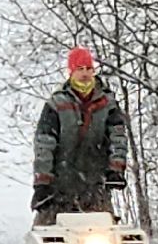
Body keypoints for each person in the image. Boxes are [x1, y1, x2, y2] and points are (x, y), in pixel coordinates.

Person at [31, 46, 129, 225]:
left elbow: (118, 137)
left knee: (108, 235)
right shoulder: (57, 104)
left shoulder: (108, 104)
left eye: (88, 69)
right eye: (80, 69)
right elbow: (44, 143)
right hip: (58, 187)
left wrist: (116, 168)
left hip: (96, 185)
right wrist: (43, 180)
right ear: (71, 72)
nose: (84, 73)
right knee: (46, 237)